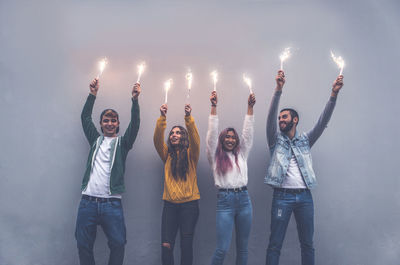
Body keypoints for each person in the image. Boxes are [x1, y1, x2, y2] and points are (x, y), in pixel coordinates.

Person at [265, 70, 344, 265]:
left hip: (304, 197)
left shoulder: (306, 140)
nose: (281, 120)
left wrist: (333, 95)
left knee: (307, 244)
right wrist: (278, 89)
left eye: (285, 117)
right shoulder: (275, 140)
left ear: (295, 120)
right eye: (280, 118)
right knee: (275, 244)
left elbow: (322, 121)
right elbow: (269, 118)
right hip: (282, 197)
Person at [75, 78, 141, 265]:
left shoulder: (123, 144)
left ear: (118, 124)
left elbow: (135, 124)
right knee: (83, 244)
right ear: (101, 124)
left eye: (113, 120)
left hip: (111, 204)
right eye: (106, 120)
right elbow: (85, 118)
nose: (110, 123)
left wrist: (134, 101)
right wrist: (92, 94)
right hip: (88, 202)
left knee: (118, 243)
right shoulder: (95, 140)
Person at [206, 91, 256, 265]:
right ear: (222, 139)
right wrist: (214, 107)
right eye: (227, 136)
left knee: (243, 248)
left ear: (236, 141)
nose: (230, 139)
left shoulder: (241, 154)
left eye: (233, 137)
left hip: (244, 200)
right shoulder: (214, 155)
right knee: (222, 249)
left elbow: (248, 133)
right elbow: (211, 134)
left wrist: (250, 107)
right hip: (225, 202)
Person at [153, 103, 200, 265]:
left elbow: (195, 139)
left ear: (183, 136)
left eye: (178, 133)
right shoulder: (167, 155)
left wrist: (188, 118)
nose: (174, 135)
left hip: (190, 207)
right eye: (172, 133)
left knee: (186, 247)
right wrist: (162, 118)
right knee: (166, 246)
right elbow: (157, 140)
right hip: (170, 207)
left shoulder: (191, 154)